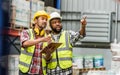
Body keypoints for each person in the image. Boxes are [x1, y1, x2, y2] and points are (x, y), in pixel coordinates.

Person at [19, 10, 52, 75]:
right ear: (36, 21)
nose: (45, 21)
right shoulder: (26, 32)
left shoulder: (48, 37)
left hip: (41, 72)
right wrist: (42, 39)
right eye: (42, 19)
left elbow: (48, 59)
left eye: (46, 19)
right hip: (26, 72)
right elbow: (25, 43)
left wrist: (48, 53)